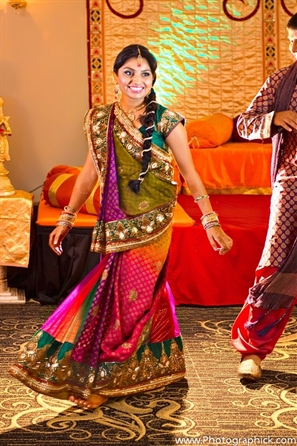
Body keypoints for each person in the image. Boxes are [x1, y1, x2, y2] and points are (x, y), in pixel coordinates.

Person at [9, 44, 233, 409]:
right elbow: (89, 173)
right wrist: (67, 216)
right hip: (116, 221)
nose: (137, 80)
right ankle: (148, 367)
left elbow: (191, 175)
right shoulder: (99, 119)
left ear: (153, 78)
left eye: (144, 73)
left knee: (131, 296)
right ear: (115, 76)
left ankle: (107, 378)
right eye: (129, 71)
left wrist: (210, 222)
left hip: (155, 224)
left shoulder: (166, 120)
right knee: (118, 295)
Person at [232, 14, 297, 381]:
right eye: (291, 42)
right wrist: (275, 117)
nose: (295, 49)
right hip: (292, 184)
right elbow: (243, 123)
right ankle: (252, 351)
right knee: (273, 266)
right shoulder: (280, 81)